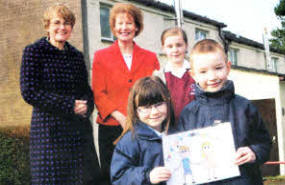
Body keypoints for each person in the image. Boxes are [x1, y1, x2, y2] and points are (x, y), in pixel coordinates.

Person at [20, 4, 101, 185]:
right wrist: (70, 105)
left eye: (67, 23)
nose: (62, 27)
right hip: (49, 136)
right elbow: (29, 91)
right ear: (48, 26)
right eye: (57, 22)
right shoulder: (34, 52)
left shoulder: (76, 56)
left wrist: (86, 106)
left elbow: (85, 90)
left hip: (78, 135)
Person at [176, 39, 272, 185]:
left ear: (228, 67)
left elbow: (264, 143)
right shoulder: (188, 114)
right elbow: (180, 154)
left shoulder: (244, 107)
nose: (212, 77)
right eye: (203, 71)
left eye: (218, 68)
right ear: (193, 74)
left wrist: (254, 152)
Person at [92, 3, 160, 184]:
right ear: (113, 28)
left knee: (143, 174)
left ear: (137, 26)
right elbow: (99, 93)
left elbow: (154, 91)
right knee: (112, 176)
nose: (124, 28)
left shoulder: (150, 57)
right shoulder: (101, 56)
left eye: (129, 23)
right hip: (112, 127)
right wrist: (122, 118)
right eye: (119, 24)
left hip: (143, 127)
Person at [110, 76, 174, 185]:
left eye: (159, 105)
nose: (154, 112)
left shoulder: (177, 132)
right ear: (136, 111)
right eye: (146, 108)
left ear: (168, 102)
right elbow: (118, 178)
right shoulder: (130, 141)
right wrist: (148, 176)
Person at [153, 27, 195, 120]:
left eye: (179, 45)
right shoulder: (159, 77)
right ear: (163, 48)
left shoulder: (197, 73)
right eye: (170, 46)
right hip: (171, 129)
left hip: (196, 126)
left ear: (186, 46)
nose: (175, 50)